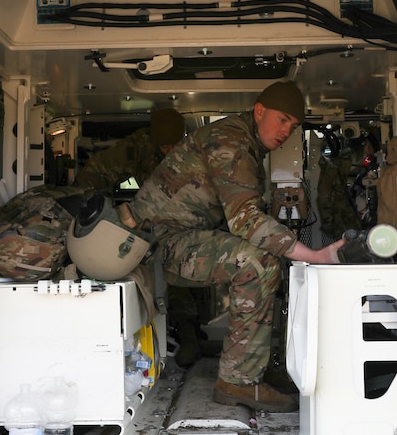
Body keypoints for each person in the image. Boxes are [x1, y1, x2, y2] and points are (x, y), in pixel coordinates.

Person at [130, 81, 345, 412]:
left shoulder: (243, 141)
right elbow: (246, 220)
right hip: (158, 244)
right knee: (257, 263)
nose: (286, 130)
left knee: (267, 256)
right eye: (282, 119)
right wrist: (315, 255)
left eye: (293, 125)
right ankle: (238, 381)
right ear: (259, 111)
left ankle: (256, 364)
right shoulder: (231, 142)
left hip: (169, 239)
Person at [74, 108, 186, 193]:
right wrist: (87, 189)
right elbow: (99, 167)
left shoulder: (194, 151)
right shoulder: (139, 147)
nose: (170, 151)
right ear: (156, 142)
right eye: (164, 146)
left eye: (175, 145)